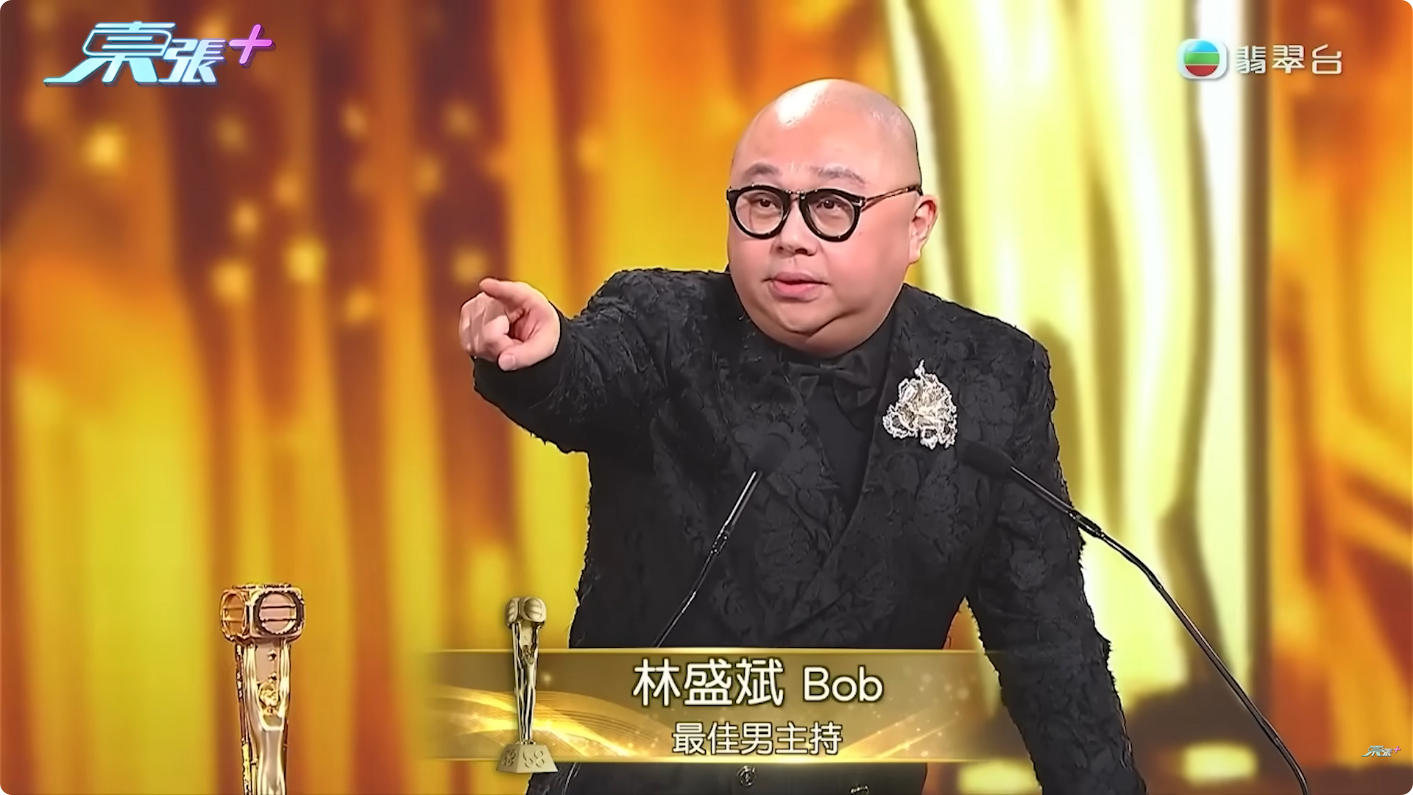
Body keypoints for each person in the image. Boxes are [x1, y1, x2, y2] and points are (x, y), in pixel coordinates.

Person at [462, 79, 1146, 795]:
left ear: (916, 225)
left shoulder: (989, 376)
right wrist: (540, 356)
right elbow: (587, 374)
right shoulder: (663, 323)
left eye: (831, 204)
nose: (791, 235)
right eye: (763, 202)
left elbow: (1048, 645)